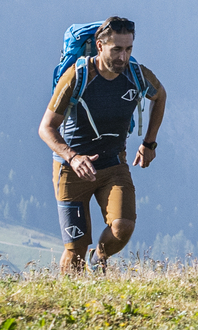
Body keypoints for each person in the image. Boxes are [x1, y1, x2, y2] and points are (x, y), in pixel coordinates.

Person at [39, 16, 165, 273]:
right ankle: (68, 302)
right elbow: (46, 127)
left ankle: (99, 260)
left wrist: (149, 143)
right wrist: (73, 157)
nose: (123, 57)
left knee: (123, 227)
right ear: (99, 46)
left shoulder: (136, 74)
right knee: (75, 250)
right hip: (71, 170)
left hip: (113, 164)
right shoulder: (78, 76)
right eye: (116, 49)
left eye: (129, 49)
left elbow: (160, 96)